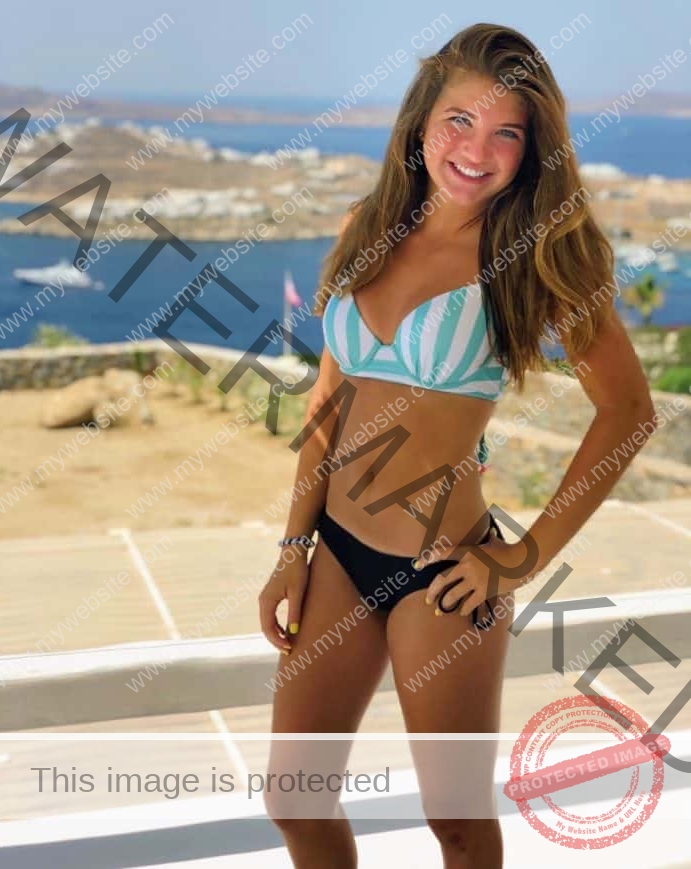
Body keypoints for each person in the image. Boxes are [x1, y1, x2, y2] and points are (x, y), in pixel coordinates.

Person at [258, 21, 657, 869]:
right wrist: (293, 546)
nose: (478, 149)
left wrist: (520, 557)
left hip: (445, 574)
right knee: (292, 798)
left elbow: (628, 411)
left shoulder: (538, 256)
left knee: (457, 824)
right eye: (458, 122)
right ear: (419, 124)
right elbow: (329, 403)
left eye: (506, 132)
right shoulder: (369, 225)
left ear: (531, 148)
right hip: (335, 551)